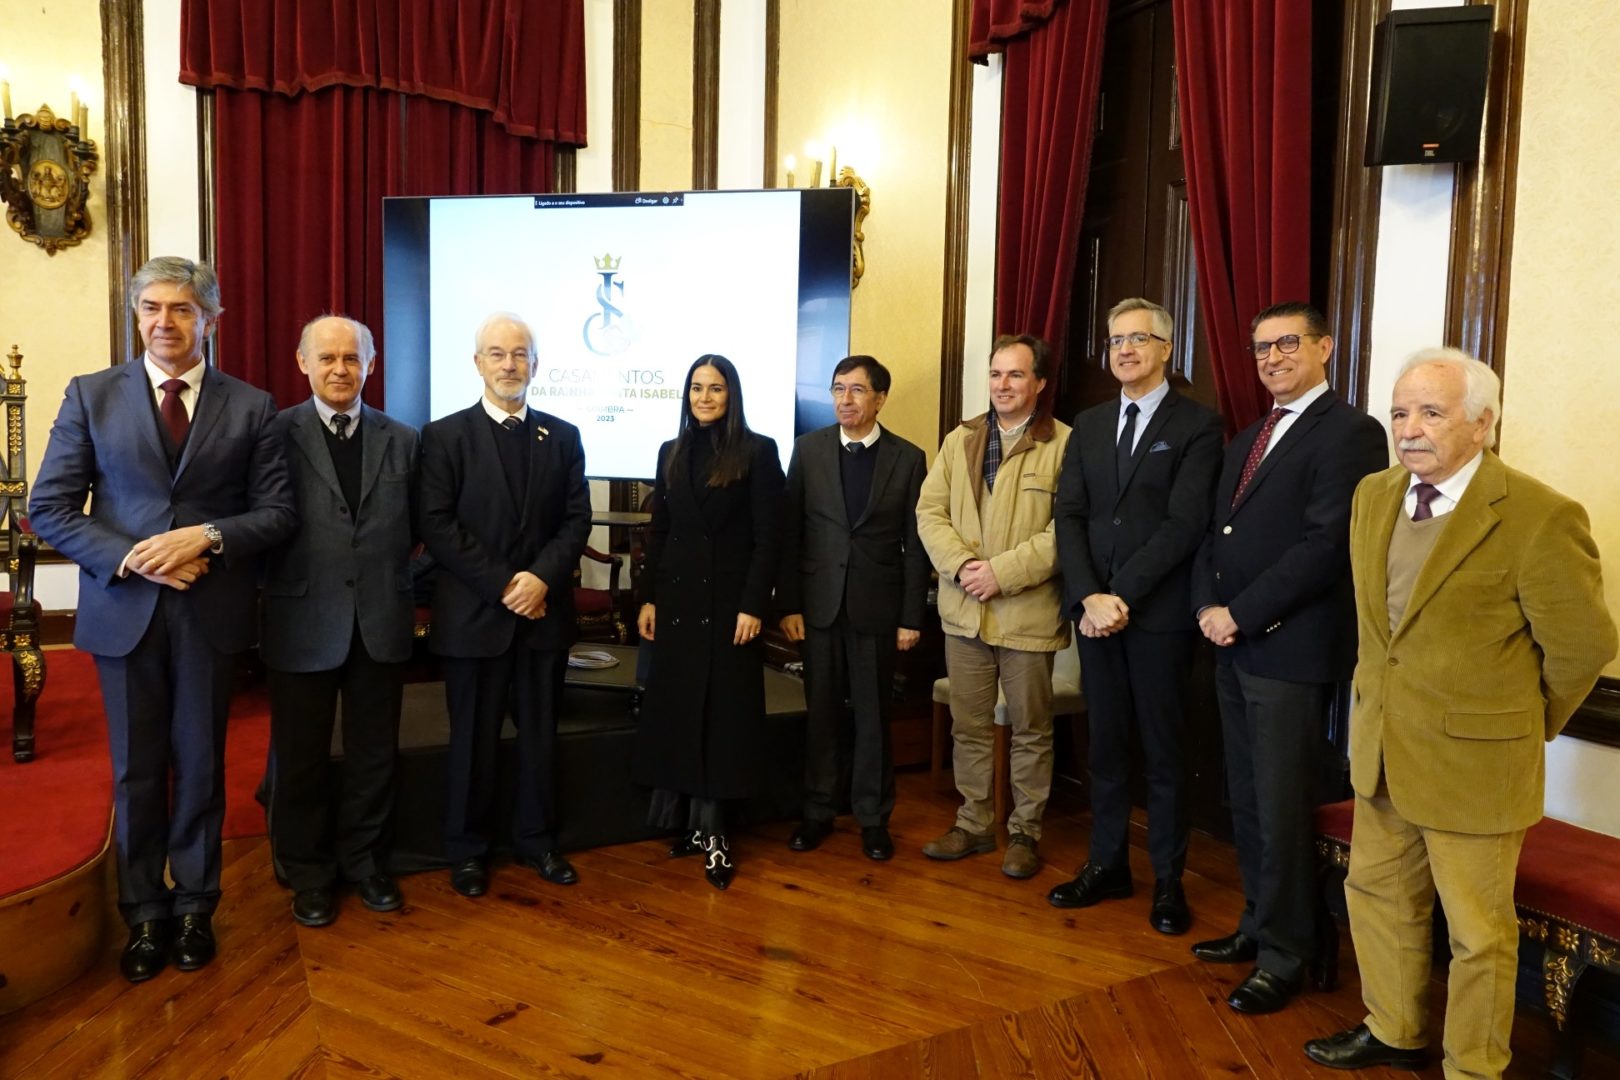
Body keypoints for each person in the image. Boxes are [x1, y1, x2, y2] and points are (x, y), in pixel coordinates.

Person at [1305, 349, 1616, 1077]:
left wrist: (1520, 722)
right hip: (1382, 752)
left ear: (1483, 423)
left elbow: (1583, 645)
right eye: (1401, 412)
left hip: (1478, 767)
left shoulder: (1539, 517)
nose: (1410, 429)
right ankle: (1393, 1028)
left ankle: (1473, 1067)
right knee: (1379, 897)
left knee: (1478, 934)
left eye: (1431, 412)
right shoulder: (1375, 496)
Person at [30, 256, 297, 982]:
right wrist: (138, 558)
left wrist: (205, 537)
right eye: (151, 307)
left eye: (181, 309)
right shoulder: (92, 396)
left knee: (204, 766)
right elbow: (48, 507)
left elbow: (275, 513)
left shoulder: (252, 405)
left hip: (209, 614)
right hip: (124, 613)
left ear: (210, 318)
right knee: (136, 772)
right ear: (135, 314)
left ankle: (196, 907)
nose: (164, 322)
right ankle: (144, 913)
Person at [1189, 300, 1389, 1014]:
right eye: (1260, 348)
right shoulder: (1247, 439)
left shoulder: (1353, 434)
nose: (1272, 358)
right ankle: (1257, 923)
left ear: (1324, 348)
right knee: (1242, 797)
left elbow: (1325, 546)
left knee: (1280, 808)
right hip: (1232, 646)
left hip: (1290, 651)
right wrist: (1207, 609)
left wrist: (1240, 614)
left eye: (1286, 344)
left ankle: (1289, 955)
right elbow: (1217, 535)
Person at [1049, 299, 1223, 934]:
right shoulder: (1089, 424)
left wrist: (1119, 595)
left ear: (1166, 349)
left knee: (1164, 753)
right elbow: (1068, 515)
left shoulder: (1198, 426)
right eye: (1116, 339)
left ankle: (1169, 883)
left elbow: (1185, 525)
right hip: (1096, 616)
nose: (1124, 349)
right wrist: (1090, 597)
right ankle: (1107, 865)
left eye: (1139, 339)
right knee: (1107, 748)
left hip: (1157, 620)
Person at [417, 312, 591, 897]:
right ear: (477, 364)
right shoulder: (443, 437)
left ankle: (538, 841)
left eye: (520, 354)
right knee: (472, 741)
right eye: (497, 354)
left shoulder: (563, 436)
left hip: (542, 618)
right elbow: (437, 527)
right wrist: (506, 586)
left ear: (536, 364)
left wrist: (539, 579)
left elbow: (575, 520)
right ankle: (468, 851)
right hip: (474, 618)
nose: (509, 364)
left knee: (540, 737)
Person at [260, 315, 419, 927]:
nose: (339, 369)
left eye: (351, 359)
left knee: (374, 755)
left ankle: (366, 863)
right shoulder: (273, 435)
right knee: (300, 758)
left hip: (381, 618)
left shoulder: (403, 438)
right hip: (301, 620)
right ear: (303, 364)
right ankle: (308, 874)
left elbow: (421, 529)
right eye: (326, 358)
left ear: (370, 366)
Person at [917, 334, 1072, 879]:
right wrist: (962, 567)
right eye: (996, 374)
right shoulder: (959, 439)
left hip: (1026, 615)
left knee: (1031, 729)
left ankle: (1025, 833)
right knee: (970, 726)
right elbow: (929, 511)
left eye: (1015, 375)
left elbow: (1066, 532)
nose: (1003, 385)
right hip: (964, 614)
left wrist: (1001, 574)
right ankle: (975, 823)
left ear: (1039, 384)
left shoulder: (1065, 444)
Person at [632, 354, 784, 890]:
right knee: (680, 711)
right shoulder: (671, 451)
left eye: (715, 389)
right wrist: (647, 599)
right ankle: (693, 825)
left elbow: (770, 538)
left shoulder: (758, 452)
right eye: (696, 388)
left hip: (729, 609)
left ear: (731, 395)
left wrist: (753, 606)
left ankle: (718, 830)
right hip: (676, 605)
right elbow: (661, 530)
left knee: (723, 717)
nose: (704, 397)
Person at [778, 355, 929, 861]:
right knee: (820, 715)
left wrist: (911, 617)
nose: (845, 399)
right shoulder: (808, 450)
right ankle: (817, 812)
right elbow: (791, 535)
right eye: (838, 388)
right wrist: (790, 605)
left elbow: (915, 544)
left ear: (879, 398)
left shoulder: (908, 459)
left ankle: (872, 818)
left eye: (857, 390)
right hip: (819, 609)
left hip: (877, 611)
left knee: (872, 717)